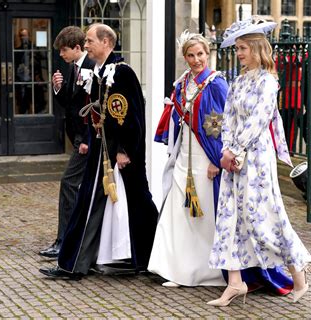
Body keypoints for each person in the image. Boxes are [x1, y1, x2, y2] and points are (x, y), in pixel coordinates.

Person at [207, 17, 311, 306]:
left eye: (243, 48)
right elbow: (228, 117)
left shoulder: (269, 82)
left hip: (255, 158)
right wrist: (226, 149)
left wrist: (237, 150)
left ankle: (298, 272)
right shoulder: (238, 81)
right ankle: (235, 283)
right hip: (233, 158)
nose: (239, 53)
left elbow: (258, 120)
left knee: (263, 217)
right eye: (238, 48)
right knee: (229, 216)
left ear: (256, 48)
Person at [39, 23, 158, 279]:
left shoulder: (122, 73)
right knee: (89, 203)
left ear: (106, 43)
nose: (87, 44)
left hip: (120, 152)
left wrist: (125, 150)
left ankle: (152, 258)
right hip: (100, 148)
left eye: (91, 40)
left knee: (139, 203)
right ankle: (74, 263)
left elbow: (132, 115)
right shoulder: (97, 72)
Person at [148, 31, 228, 287]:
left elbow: (223, 124)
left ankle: (209, 271)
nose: (196, 60)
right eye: (191, 55)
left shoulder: (216, 83)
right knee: (179, 211)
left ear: (208, 54)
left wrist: (217, 160)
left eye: (200, 54)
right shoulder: (182, 84)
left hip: (207, 158)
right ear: (185, 57)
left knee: (203, 216)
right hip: (185, 155)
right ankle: (178, 270)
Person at [38, 26, 95, 259]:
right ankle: (69, 239)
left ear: (77, 48)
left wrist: (84, 139)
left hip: (86, 140)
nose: (61, 55)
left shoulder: (90, 68)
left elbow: (91, 107)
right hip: (79, 139)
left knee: (68, 184)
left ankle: (65, 241)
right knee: (75, 187)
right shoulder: (73, 68)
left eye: (64, 50)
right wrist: (58, 88)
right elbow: (70, 105)